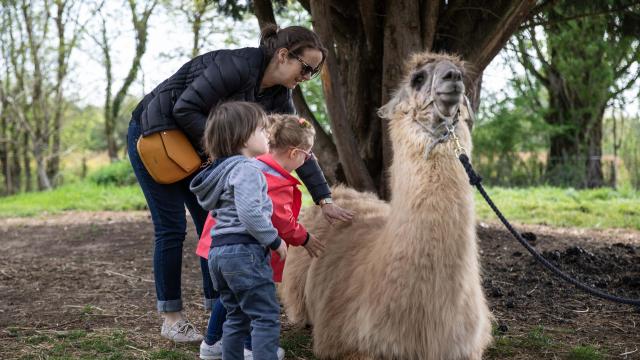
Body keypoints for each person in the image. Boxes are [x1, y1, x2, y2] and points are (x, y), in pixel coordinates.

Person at [126, 24, 353, 342]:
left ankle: (217, 316)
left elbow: (298, 147)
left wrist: (324, 199)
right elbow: (184, 108)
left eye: (313, 73)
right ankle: (172, 318)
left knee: (214, 225)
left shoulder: (279, 96)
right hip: (156, 133)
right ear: (283, 55)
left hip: (204, 148)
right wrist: (234, 152)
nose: (307, 78)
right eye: (306, 69)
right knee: (172, 227)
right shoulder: (235, 66)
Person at [197, 114, 325, 359]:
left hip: (217, 248)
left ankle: (216, 345)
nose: (308, 159)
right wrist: (299, 238)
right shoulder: (263, 175)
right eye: (308, 155)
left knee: (235, 309)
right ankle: (255, 350)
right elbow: (276, 219)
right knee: (264, 315)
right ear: (294, 153)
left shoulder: (237, 167)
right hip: (244, 251)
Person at [190, 101, 286, 360]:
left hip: (218, 254)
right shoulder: (247, 169)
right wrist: (274, 240)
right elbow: (250, 213)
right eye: (261, 129)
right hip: (245, 252)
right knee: (265, 316)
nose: (267, 134)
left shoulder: (221, 173)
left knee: (235, 317)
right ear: (242, 137)